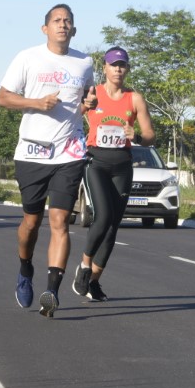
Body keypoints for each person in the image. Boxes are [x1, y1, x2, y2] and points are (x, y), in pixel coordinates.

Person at [0, 3, 97, 318]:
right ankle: (25, 268)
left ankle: (51, 291)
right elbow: (3, 97)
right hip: (32, 152)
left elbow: (87, 99)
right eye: (56, 20)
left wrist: (90, 102)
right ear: (45, 28)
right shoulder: (27, 57)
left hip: (69, 151)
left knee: (60, 221)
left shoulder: (84, 62)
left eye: (67, 21)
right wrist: (36, 103)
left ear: (74, 29)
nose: (62, 24)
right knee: (31, 222)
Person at [73, 46, 156, 302]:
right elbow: (71, 118)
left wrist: (137, 136)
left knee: (112, 228)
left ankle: (94, 281)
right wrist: (83, 106)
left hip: (122, 165)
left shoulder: (135, 98)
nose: (118, 69)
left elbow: (150, 136)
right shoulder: (93, 93)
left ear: (127, 69)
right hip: (96, 162)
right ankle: (84, 266)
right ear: (105, 68)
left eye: (122, 65)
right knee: (103, 216)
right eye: (113, 65)